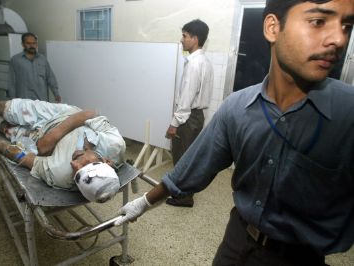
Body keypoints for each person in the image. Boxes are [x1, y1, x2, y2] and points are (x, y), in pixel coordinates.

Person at [115, 0, 354, 265]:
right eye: (319, 21)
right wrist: (143, 203)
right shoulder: (238, 108)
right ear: (273, 27)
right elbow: (190, 169)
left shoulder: (348, 114)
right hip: (237, 243)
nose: (339, 38)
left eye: (347, 25)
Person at [0, 98, 126, 202]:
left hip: (36, 138)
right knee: (0, 108)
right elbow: (90, 113)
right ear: (107, 161)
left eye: (77, 176)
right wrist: (53, 136)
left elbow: (27, 159)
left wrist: (1, 147)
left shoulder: (60, 175)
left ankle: (4, 125)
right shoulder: (114, 144)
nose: (74, 165)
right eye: (85, 165)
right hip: (64, 115)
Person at [165, 19, 214, 208]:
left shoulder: (194, 64)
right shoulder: (205, 62)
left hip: (187, 118)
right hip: (196, 116)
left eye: (184, 36)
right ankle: (184, 193)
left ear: (195, 38)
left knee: (182, 159)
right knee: (189, 157)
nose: (181, 40)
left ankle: (184, 197)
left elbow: (186, 99)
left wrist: (174, 123)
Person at [7, 32, 61, 102]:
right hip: (24, 102)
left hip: (42, 101)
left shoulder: (42, 59)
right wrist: (13, 101)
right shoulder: (15, 60)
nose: (32, 46)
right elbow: (11, 83)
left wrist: (56, 93)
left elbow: (50, 77)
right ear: (23, 44)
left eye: (34, 43)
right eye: (28, 43)